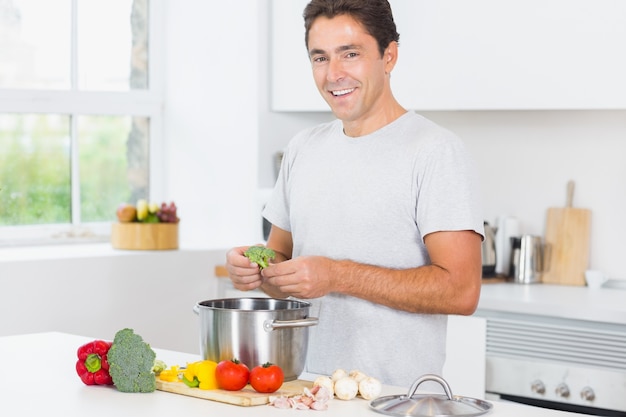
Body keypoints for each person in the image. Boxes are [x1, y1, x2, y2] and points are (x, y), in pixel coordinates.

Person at [226, 0, 483, 387]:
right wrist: (254, 270)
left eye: (350, 54)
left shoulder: (434, 151)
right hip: (305, 391)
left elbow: (462, 291)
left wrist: (338, 275)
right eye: (320, 57)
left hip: (398, 401)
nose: (334, 74)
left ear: (389, 56)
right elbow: (280, 264)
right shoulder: (302, 148)